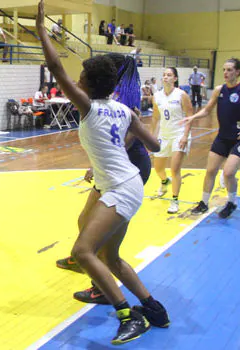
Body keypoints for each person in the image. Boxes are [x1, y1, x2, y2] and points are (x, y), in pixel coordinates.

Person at [37, 1, 167, 345]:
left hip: (120, 188)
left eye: (80, 76)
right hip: (129, 183)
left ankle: (129, 316)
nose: (75, 78)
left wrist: (40, 28)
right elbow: (154, 147)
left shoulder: (89, 108)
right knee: (110, 256)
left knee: (83, 252)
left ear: (89, 84)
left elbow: (54, 66)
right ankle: (154, 308)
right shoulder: (125, 110)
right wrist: (147, 124)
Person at [57, 53, 154, 304]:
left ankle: (106, 290)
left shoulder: (107, 102)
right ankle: (152, 307)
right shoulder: (118, 103)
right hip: (115, 173)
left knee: (88, 249)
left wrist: (121, 142)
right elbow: (153, 143)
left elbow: (58, 70)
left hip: (124, 173)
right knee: (87, 224)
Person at [188, 58, 240, 218]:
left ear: (237, 72)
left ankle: (232, 202)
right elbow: (207, 110)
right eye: (224, 69)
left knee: (229, 173)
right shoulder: (218, 90)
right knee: (210, 170)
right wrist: (191, 117)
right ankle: (203, 203)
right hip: (223, 137)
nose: (225, 72)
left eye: (229, 70)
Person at [151, 68, 193, 214]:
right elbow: (156, 117)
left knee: (174, 169)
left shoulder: (182, 95)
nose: (165, 77)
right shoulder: (156, 96)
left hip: (179, 134)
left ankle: (175, 200)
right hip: (164, 134)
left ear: (175, 78)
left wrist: (185, 136)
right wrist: (152, 137)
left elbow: (189, 116)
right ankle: (164, 182)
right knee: (158, 168)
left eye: (169, 75)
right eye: (164, 75)